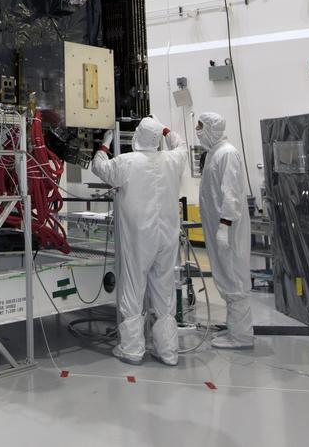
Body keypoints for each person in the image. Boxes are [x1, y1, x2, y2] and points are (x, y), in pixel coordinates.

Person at [89, 117, 185, 365]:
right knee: (164, 290)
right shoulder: (173, 160)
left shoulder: (127, 162)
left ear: (138, 137)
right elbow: (180, 143)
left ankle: (132, 349)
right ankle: (167, 351)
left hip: (140, 238)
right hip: (167, 238)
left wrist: (104, 144)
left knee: (133, 287)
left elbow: (99, 167)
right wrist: (163, 128)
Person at [197, 112, 254, 349]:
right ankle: (234, 331)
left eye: (200, 127)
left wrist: (224, 225)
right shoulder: (215, 153)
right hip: (218, 227)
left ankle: (241, 337)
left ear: (212, 128)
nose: (198, 131)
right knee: (225, 275)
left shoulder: (227, 153)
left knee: (234, 277)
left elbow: (230, 194)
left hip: (227, 229)